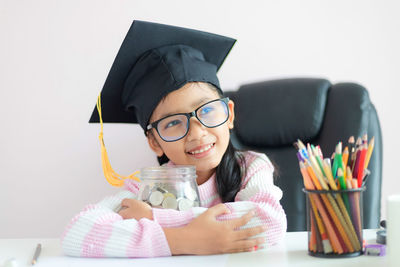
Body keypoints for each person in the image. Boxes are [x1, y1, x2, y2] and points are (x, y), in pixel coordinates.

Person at [61, 20, 286, 258]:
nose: (197, 133)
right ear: (155, 142)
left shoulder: (250, 166)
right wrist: (183, 240)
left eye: (207, 110)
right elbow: (78, 233)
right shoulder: (148, 187)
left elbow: (270, 221)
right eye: (173, 122)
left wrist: (155, 217)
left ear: (229, 114)